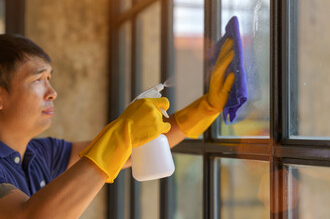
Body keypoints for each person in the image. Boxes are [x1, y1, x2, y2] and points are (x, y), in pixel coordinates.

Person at [0, 34, 235, 218]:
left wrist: (205, 109)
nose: (52, 93)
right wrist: (122, 132)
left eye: (50, 79)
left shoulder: (40, 154)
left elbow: (127, 152)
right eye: (37, 80)